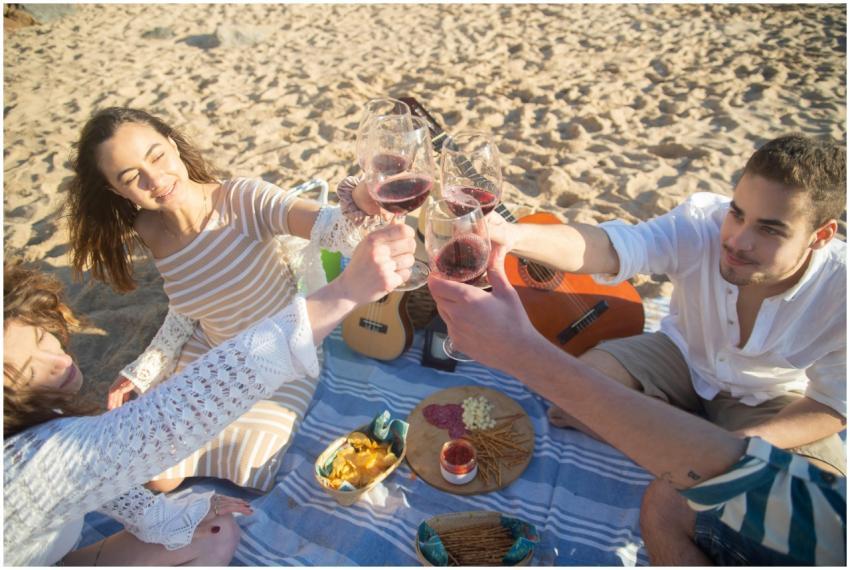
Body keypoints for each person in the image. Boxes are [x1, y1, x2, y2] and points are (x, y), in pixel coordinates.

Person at [428, 133, 846, 564]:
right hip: (682, 357)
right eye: (737, 214)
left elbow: (832, 406)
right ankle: (676, 432)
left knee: (806, 507)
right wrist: (512, 234)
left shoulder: (843, 288)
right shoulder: (703, 221)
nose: (738, 240)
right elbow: (611, 248)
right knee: (571, 400)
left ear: (820, 236)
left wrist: (733, 449)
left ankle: (680, 435)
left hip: (772, 403)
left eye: (769, 229)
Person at [3, 226, 416, 565]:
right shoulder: (24, 465)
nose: (57, 359)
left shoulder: (34, 415)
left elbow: (97, 478)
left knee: (214, 533)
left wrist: (165, 517)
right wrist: (343, 291)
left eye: (43, 337)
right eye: (27, 369)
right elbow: (183, 408)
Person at [66, 107, 383, 493]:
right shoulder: (149, 230)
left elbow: (332, 229)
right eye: (132, 177)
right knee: (157, 477)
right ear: (116, 191)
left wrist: (362, 200)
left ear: (171, 142)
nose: (155, 179)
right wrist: (144, 368)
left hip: (281, 353)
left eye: (156, 155)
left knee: (252, 470)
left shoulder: (242, 200)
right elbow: (186, 310)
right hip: (211, 352)